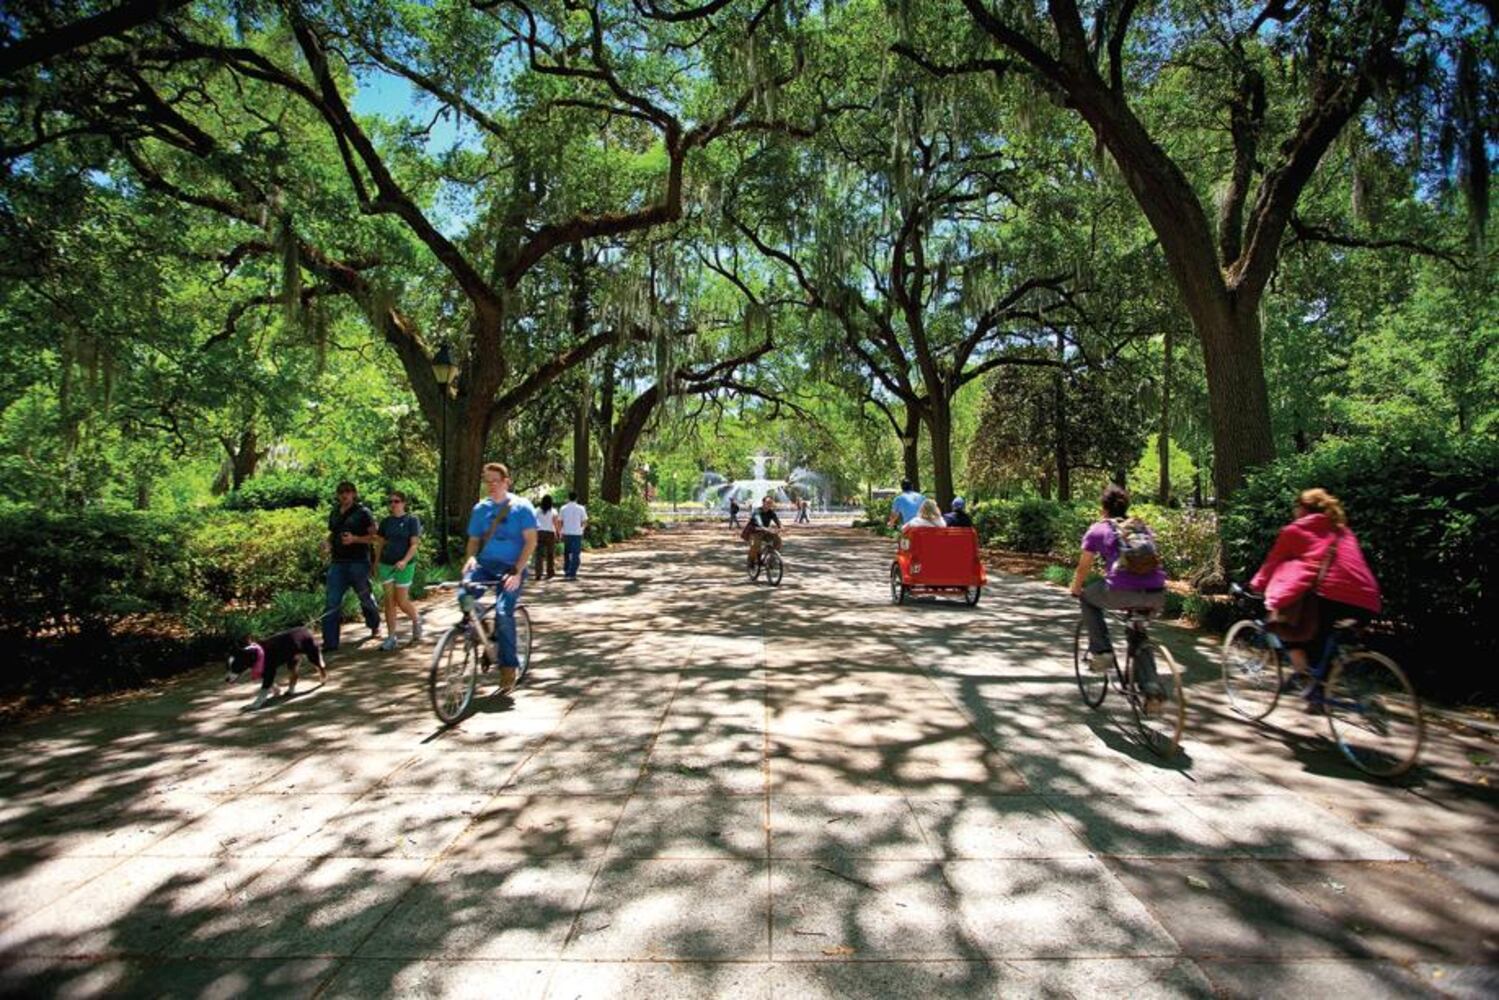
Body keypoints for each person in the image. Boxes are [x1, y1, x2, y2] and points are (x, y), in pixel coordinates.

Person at [1250, 488, 1381, 704]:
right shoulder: (1343, 531)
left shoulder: (1295, 530)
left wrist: (1256, 585)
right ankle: (1320, 686)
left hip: (1332, 595)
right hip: (1369, 598)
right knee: (1326, 644)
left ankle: (1308, 679)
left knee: (1285, 623)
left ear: (1302, 508)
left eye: (1296, 506)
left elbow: (1273, 562)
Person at [1069, 485, 1167, 708]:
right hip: (1155, 593)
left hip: (1120, 591)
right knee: (1138, 633)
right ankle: (1151, 690)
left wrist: (1076, 589)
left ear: (1103, 508)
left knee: (1087, 598)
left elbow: (1083, 568)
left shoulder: (1098, 529)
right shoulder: (1141, 528)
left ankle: (1102, 652)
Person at [463, 463, 538, 692]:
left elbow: (531, 542)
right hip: (484, 565)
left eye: (496, 481)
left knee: (504, 612)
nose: (492, 485)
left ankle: (508, 667)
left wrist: (517, 570)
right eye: (488, 481)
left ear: (507, 481)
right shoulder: (480, 509)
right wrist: (470, 559)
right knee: (463, 596)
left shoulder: (522, 507)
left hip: (511, 567)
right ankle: (484, 629)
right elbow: (474, 541)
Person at [321, 480, 383, 653]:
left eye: (348, 491)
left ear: (354, 494)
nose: (344, 495)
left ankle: (374, 625)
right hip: (337, 563)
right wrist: (327, 543)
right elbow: (332, 533)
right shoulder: (334, 512)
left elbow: (375, 537)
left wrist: (355, 539)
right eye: (341, 492)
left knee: (365, 598)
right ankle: (330, 642)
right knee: (332, 602)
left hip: (358, 562)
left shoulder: (363, 512)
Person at [376, 490, 423, 650]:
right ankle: (391, 637)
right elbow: (380, 543)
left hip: (405, 565)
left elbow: (414, 544)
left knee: (401, 601)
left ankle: (416, 619)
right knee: (389, 601)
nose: (393, 505)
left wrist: (404, 560)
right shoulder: (386, 522)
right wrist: (375, 562)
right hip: (386, 564)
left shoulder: (411, 520)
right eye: (391, 502)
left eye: (396, 501)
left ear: (403, 503)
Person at [744, 495, 783, 568]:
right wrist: (766, 528)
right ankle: (751, 560)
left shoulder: (771, 512)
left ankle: (772, 559)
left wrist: (781, 527)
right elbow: (759, 523)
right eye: (768, 502)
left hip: (765, 531)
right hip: (754, 531)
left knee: (778, 540)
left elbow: (777, 521)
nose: (769, 504)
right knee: (756, 545)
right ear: (763, 503)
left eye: (771, 503)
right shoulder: (757, 511)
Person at [559, 491, 589, 580]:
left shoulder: (563, 508)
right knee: (576, 553)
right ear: (576, 498)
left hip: (566, 533)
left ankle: (567, 570)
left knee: (567, 552)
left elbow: (560, 521)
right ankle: (572, 573)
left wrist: (560, 532)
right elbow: (584, 521)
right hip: (577, 534)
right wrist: (582, 529)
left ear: (568, 498)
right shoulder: (581, 508)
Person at [533, 494, 559, 579]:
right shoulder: (553, 511)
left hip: (539, 533)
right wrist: (558, 532)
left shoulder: (536, 510)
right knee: (550, 554)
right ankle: (550, 572)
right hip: (550, 533)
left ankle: (538, 573)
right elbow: (555, 523)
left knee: (539, 554)